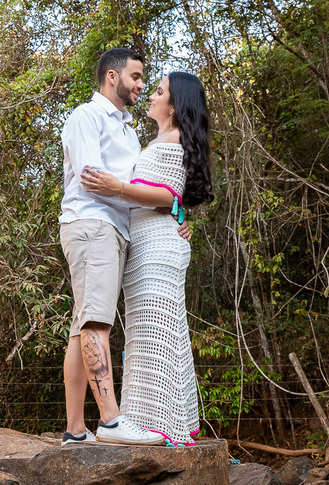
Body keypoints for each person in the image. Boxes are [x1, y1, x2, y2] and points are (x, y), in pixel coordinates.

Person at [80, 71, 213, 446]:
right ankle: (142, 421)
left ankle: (163, 425)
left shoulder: (176, 137)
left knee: (159, 331)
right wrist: (180, 215)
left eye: (159, 92)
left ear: (175, 105)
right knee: (144, 334)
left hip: (158, 248)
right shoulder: (160, 139)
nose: (151, 96)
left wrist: (118, 188)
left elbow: (169, 195)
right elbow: (177, 200)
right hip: (146, 245)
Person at [58, 48, 176, 446]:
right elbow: (95, 180)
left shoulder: (126, 127)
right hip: (93, 224)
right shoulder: (86, 116)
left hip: (116, 228)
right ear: (113, 77)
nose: (142, 85)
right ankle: (110, 420)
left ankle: (75, 431)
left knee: (81, 326)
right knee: (96, 321)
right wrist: (154, 200)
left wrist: (167, 209)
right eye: (137, 76)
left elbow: (127, 186)